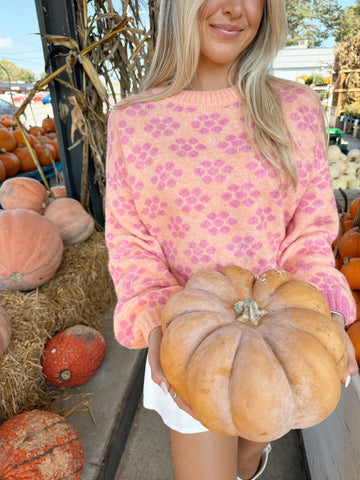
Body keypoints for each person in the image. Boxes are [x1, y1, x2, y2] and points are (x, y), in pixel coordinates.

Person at [105, 1, 358, 479]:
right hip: (190, 339)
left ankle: (249, 458)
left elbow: (309, 232)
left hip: (281, 336)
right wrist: (151, 312)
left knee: (247, 452)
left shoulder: (295, 108)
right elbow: (130, 239)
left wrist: (325, 310)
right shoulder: (132, 120)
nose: (234, 8)